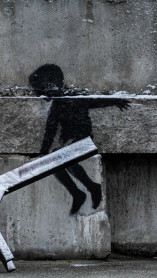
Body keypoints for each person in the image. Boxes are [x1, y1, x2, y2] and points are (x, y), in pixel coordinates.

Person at [30, 64, 130, 214]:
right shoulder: (58, 105)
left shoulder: (73, 100)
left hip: (84, 141)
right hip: (73, 143)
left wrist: (116, 100)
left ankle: (89, 188)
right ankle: (79, 192)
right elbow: (50, 131)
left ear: (50, 86)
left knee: (61, 158)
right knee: (56, 161)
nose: (42, 97)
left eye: (42, 92)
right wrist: (44, 152)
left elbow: (96, 102)